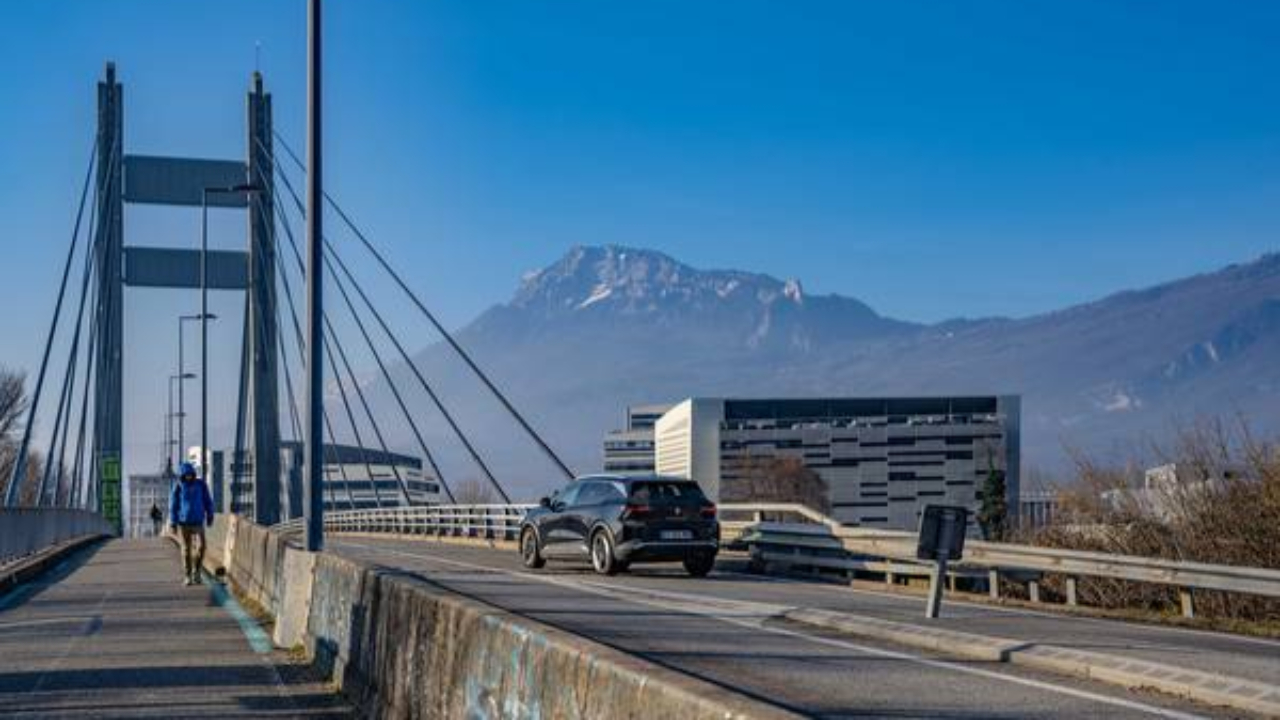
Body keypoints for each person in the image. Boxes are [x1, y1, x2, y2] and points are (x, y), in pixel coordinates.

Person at [169, 461, 215, 586]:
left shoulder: (201, 485)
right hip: (183, 523)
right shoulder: (178, 486)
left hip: (198, 521)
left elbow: (207, 501)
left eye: (190, 474)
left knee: (202, 546)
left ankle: (197, 572)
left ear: (193, 474)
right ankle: (188, 575)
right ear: (182, 475)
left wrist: (210, 515)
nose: (188, 476)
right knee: (186, 550)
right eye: (186, 474)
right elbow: (173, 506)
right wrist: (173, 522)